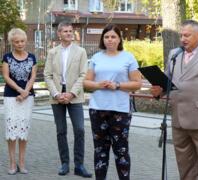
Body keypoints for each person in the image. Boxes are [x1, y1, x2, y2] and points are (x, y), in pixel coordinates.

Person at [151, 20, 198, 180]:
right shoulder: (175, 54)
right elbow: (168, 82)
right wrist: (159, 91)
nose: (182, 39)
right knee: (185, 168)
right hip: (178, 121)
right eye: (181, 35)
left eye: (187, 35)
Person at [84, 24, 142, 180]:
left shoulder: (128, 57)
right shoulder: (96, 57)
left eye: (113, 37)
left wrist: (117, 85)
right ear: (103, 39)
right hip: (97, 109)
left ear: (119, 39)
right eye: (107, 37)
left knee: (121, 151)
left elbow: (137, 83)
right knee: (100, 151)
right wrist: (98, 85)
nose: (110, 40)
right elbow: (86, 82)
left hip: (120, 110)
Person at [44, 21, 92, 178]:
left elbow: (83, 75)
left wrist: (71, 93)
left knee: (79, 129)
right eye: (65, 31)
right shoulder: (52, 52)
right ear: (59, 34)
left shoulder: (81, 51)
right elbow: (48, 75)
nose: (69, 33)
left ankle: (79, 165)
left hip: (75, 95)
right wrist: (56, 94)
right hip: (57, 94)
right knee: (61, 131)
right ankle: (65, 163)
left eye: (71, 31)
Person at [2, 28, 37, 175]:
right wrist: (19, 90)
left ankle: (22, 163)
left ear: (25, 41)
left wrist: (25, 93)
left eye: (22, 41)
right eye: (16, 42)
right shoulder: (7, 57)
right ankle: (12, 163)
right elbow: (6, 77)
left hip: (27, 98)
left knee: (23, 130)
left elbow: (32, 77)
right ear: (12, 43)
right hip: (11, 97)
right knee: (11, 131)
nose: (20, 44)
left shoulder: (32, 57)